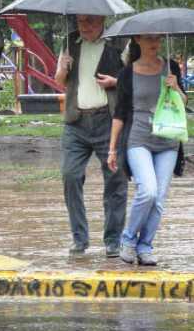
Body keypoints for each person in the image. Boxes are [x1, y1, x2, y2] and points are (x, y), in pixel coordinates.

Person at [107, 35, 187, 266]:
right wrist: (112, 149)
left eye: (158, 38)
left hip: (168, 141)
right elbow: (120, 113)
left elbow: (182, 103)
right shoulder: (127, 74)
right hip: (138, 139)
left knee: (159, 199)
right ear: (138, 40)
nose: (155, 42)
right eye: (149, 38)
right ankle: (129, 239)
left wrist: (177, 89)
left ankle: (145, 247)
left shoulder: (170, 67)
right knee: (148, 191)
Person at [54, 14, 128, 257]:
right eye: (80, 21)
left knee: (115, 180)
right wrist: (63, 69)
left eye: (90, 21)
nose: (84, 27)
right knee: (70, 175)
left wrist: (116, 81)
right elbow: (59, 82)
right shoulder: (70, 42)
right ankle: (79, 239)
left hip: (108, 121)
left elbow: (134, 80)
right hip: (76, 122)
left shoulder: (119, 43)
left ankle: (113, 241)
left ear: (102, 19)